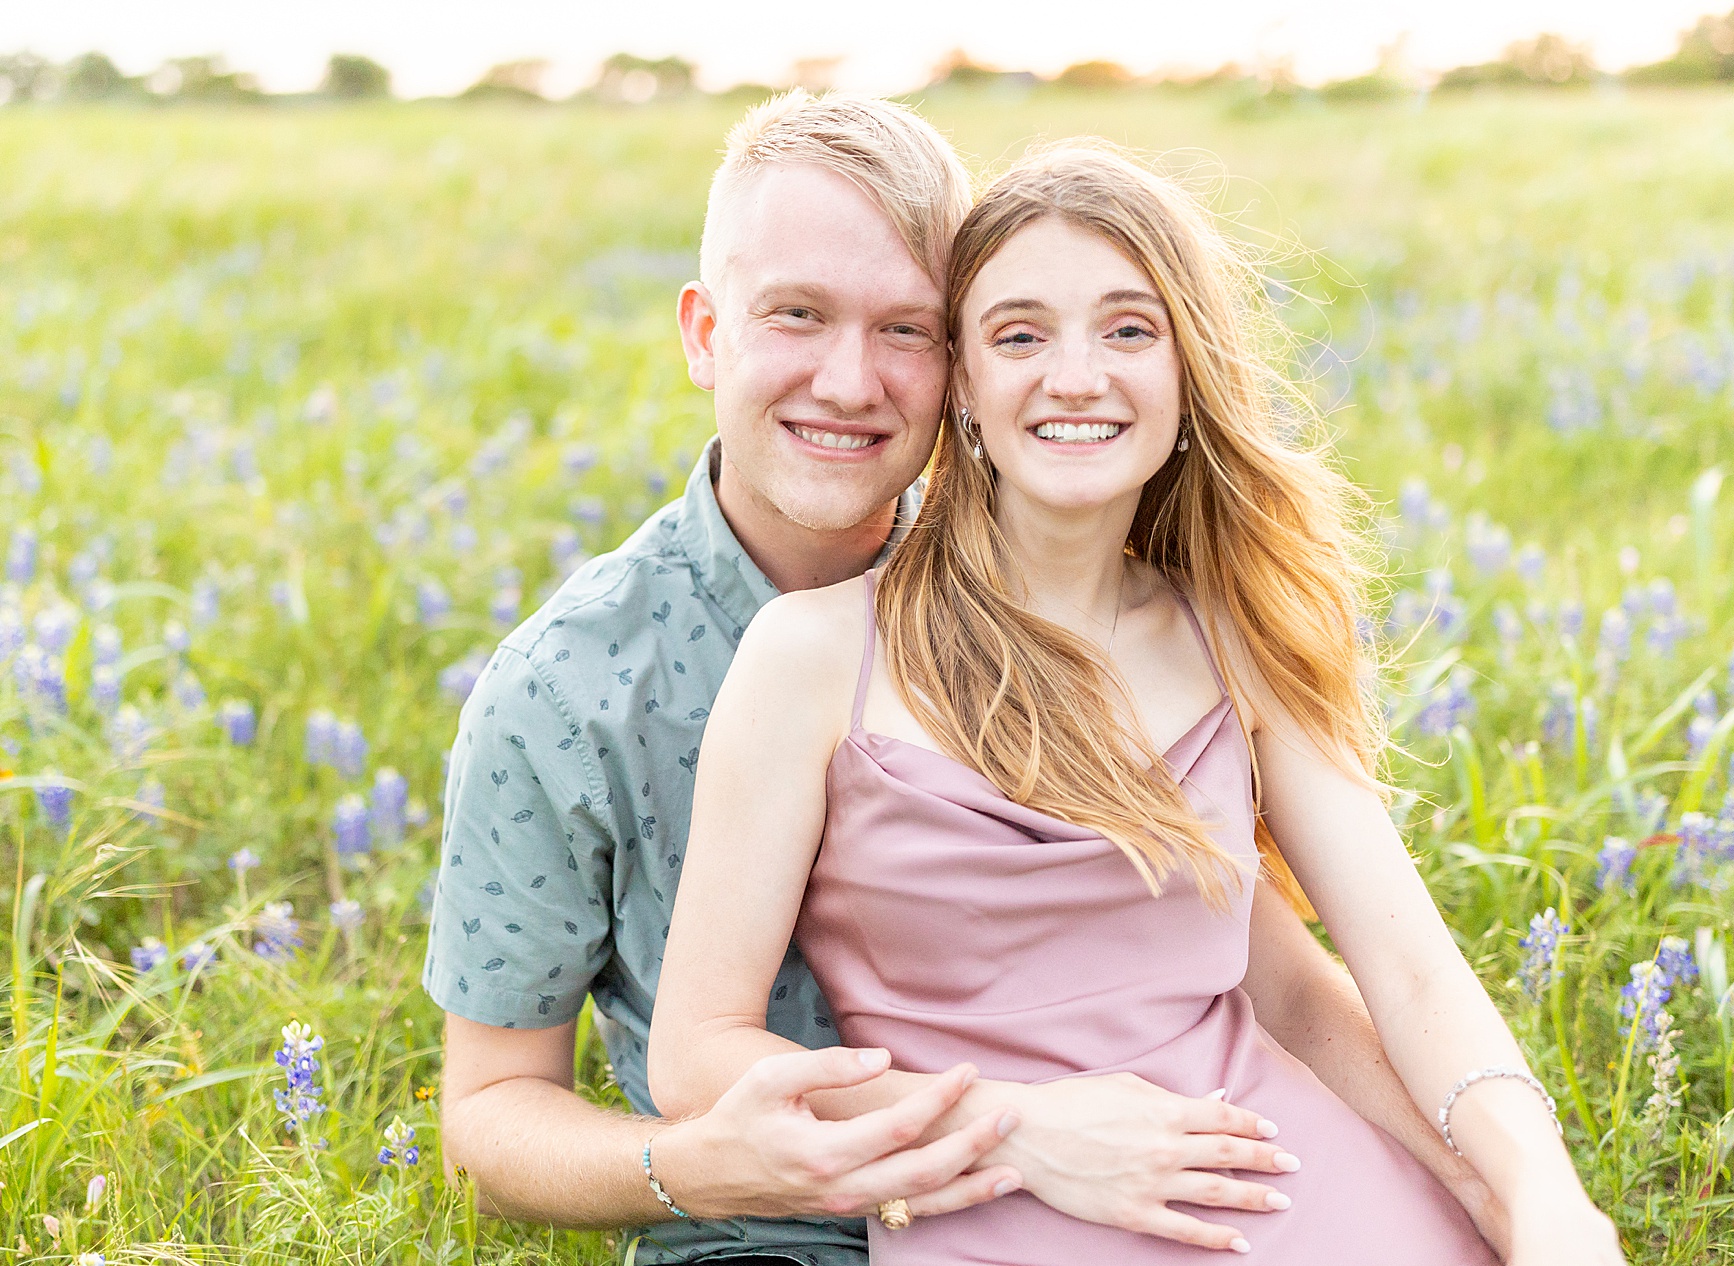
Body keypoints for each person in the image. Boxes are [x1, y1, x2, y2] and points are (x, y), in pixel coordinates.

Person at [426, 92, 1505, 1266]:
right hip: (766, 1233)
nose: (850, 382)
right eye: (796, 315)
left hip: (1122, 1194)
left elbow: (1272, 968)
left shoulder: (1048, 600)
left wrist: (1499, 1189)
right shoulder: (564, 687)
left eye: (907, 330)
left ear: (964, 362)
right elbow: (489, 1117)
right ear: (703, 334)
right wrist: (698, 1166)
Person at [648, 143, 1628, 1264]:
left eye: (1127, 329)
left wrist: (1537, 1192)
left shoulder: (1236, 636)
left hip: (1302, 1188)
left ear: (1184, 369)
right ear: (962, 379)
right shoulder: (817, 654)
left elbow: (1396, 973)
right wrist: (1009, 1131)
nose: (1076, 377)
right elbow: (698, 1055)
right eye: (1021, 335)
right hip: (997, 1220)